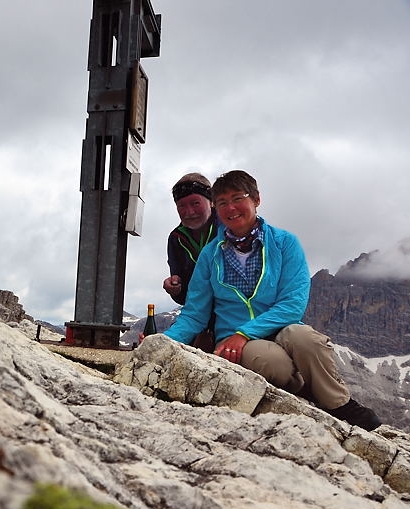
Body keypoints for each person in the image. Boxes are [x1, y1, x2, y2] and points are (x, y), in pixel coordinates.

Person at [162, 170, 382, 431]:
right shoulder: (211, 255)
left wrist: (244, 333)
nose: (230, 208)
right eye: (222, 203)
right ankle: (307, 392)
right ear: (216, 208)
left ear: (256, 199)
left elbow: (293, 304)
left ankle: (338, 404)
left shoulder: (284, 243)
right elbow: (194, 314)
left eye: (237, 198)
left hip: (277, 330)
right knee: (268, 361)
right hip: (236, 340)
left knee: (306, 339)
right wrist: (163, 342)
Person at [164, 173, 217, 352]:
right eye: (181, 206)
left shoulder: (229, 230)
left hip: (232, 319)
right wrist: (175, 289)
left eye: (195, 203)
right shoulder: (176, 239)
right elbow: (185, 297)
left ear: (211, 201)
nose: (189, 212)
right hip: (198, 320)